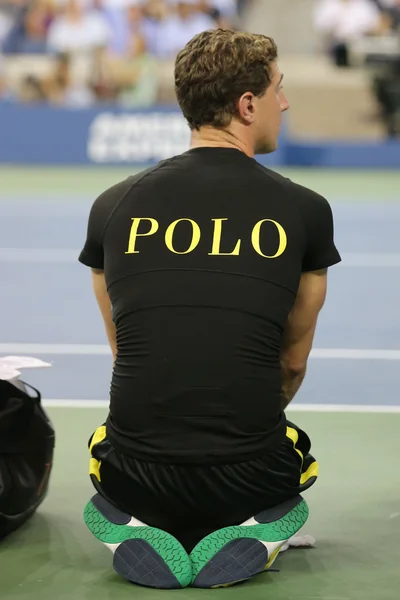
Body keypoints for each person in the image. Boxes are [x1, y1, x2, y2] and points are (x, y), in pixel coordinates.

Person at [79, 29, 341, 590]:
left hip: (136, 473)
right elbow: (291, 364)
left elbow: (124, 349)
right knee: (297, 455)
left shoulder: (111, 206)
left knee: (107, 445)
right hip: (248, 474)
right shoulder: (307, 212)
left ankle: (137, 519)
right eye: (278, 88)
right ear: (248, 105)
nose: (285, 103)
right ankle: (262, 521)